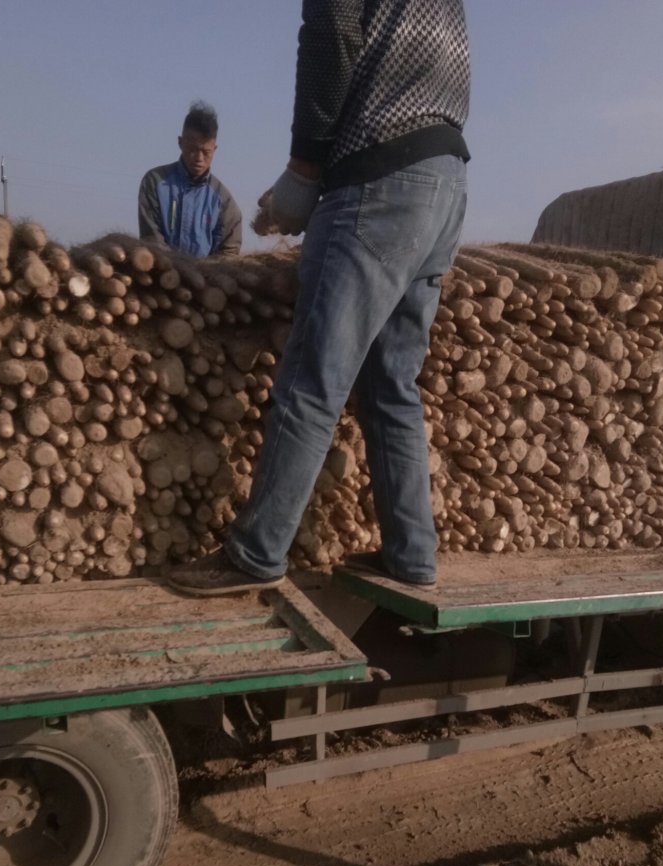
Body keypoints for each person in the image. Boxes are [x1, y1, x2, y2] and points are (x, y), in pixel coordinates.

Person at [168, 0, 471, 595]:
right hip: (446, 179)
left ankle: (257, 553)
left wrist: (305, 166)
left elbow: (330, 30)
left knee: (314, 377)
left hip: (378, 174)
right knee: (392, 383)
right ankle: (412, 557)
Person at [138, 101, 242, 257]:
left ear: (215, 149)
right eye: (193, 149)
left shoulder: (224, 201)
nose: (199, 158)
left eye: (206, 152)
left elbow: (229, 251)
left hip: (206, 279)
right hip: (162, 274)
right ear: (180, 143)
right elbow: (151, 240)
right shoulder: (154, 182)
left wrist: (203, 275)